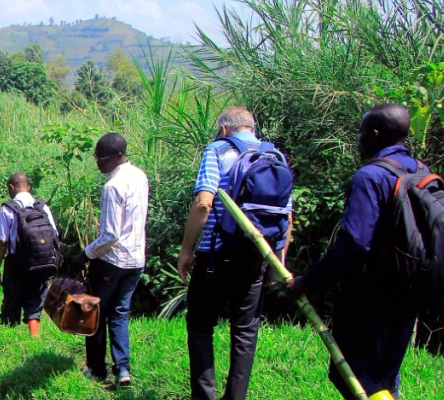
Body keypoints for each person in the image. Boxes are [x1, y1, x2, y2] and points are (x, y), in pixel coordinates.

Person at [291, 104, 421, 399]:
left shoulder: (370, 177)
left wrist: (309, 284)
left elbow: (354, 244)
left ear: (373, 135)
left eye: (361, 133)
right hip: (410, 292)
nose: (359, 139)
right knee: (385, 375)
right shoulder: (420, 170)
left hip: (370, 298)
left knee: (352, 374)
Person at [175, 107, 292, 400]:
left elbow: (204, 203)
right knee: (245, 330)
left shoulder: (217, 150)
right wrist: (278, 263)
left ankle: (204, 396)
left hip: (217, 253)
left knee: (201, 325)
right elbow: (286, 216)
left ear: (225, 129)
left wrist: (186, 250)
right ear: (252, 129)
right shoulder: (275, 156)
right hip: (256, 257)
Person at [71, 132, 148, 387]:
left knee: (95, 312)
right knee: (119, 313)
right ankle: (122, 369)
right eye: (96, 158)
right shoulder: (140, 176)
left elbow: (111, 234)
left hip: (112, 261)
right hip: (136, 260)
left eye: (102, 158)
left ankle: (96, 369)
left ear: (118, 156)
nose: (98, 163)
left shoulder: (112, 186)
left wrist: (85, 254)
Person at [0, 173, 59, 337]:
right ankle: (33, 336)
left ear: (10, 188)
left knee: (12, 299)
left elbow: (1, 242)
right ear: (28, 187)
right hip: (40, 261)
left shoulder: (7, 209)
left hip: (15, 262)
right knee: (35, 298)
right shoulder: (42, 207)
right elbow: (55, 235)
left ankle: (8, 337)